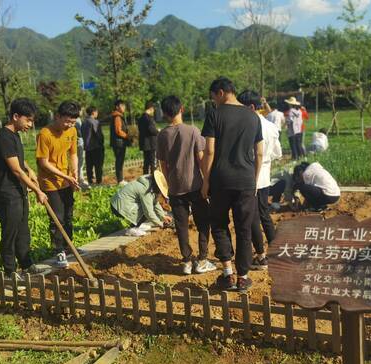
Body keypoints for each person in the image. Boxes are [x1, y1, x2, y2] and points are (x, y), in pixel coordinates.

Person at [201, 77, 264, 291]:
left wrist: (206, 180)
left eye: (213, 97)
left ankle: (227, 273)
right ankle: (243, 277)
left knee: (219, 223)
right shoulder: (253, 116)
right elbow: (259, 152)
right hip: (246, 180)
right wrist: (254, 181)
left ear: (220, 92)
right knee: (244, 228)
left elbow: (209, 150)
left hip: (221, 179)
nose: (214, 102)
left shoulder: (214, 115)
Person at [0, 98, 50, 278]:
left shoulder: (14, 135)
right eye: (28, 120)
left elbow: (18, 160)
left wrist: (30, 169)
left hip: (18, 191)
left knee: (23, 231)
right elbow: (16, 170)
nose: (30, 125)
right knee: (10, 231)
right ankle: (10, 271)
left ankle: (27, 264)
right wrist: (38, 191)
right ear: (15, 116)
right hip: (7, 193)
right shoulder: (3, 137)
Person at [157, 95, 216, 276]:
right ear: (181, 109)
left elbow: (163, 165)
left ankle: (186, 261)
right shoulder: (192, 131)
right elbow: (201, 159)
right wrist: (207, 181)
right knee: (203, 223)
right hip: (195, 185)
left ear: (165, 113)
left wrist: (169, 183)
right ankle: (202, 259)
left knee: (181, 226)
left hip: (175, 188)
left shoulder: (162, 135)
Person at [237, 90, 282, 271]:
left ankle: (261, 256)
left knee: (253, 217)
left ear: (251, 107)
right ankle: (275, 251)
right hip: (265, 176)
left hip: (250, 176)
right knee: (264, 214)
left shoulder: (247, 126)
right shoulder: (270, 126)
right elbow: (277, 153)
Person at [36, 100, 81, 268]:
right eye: (67, 121)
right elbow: (43, 163)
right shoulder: (45, 134)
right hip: (50, 183)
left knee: (68, 216)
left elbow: (74, 154)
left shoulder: (72, 131)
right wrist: (65, 176)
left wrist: (74, 172)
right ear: (58, 116)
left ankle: (70, 247)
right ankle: (59, 251)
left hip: (66, 180)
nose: (70, 125)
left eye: (73, 122)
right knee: (57, 218)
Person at [110, 170, 172, 236]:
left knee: (148, 206)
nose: (160, 193)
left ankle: (138, 225)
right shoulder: (145, 190)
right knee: (146, 208)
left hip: (119, 203)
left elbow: (155, 203)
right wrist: (160, 224)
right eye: (160, 190)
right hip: (118, 207)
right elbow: (148, 212)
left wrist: (163, 216)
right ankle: (132, 228)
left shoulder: (149, 185)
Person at [82, 106, 105, 185]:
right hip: (96, 147)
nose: (97, 113)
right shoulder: (94, 122)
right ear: (93, 112)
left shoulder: (84, 122)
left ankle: (90, 182)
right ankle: (99, 182)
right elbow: (98, 134)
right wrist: (102, 142)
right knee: (98, 166)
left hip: (87, 148)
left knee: (89, 166)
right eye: (96, 112)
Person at [111, 99, 130, 185]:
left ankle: (120, 179)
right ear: (117, 107)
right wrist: (127, 136)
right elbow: (118, 131)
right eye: (122, 106)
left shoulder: (119, 116)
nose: (124, 107)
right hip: (119, 143)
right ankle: (120, 180)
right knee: (119, 160)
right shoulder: (117, 117)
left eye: (124, 106)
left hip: (119, 142)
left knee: (120, 160)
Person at [138, 101, 159, 174]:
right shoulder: (149, 118)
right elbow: (152, 130)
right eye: (153, 109)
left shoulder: (140, 118)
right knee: (153, 162)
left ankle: (145, 177)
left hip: (144, 143)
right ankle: (154, 178)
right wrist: (158, 131)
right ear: (151, 108)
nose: (153, 111)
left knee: (146, 162)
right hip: (151, 144)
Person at [75, 108, 86, 186]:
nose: (82, 111)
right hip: (79, 142)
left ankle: (80, 178)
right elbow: (79, 133)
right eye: (81, 110)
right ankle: (79, 179)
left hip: (78, 141)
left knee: (80, 162)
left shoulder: (78, 119)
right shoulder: (76, 120)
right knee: (80, 161)